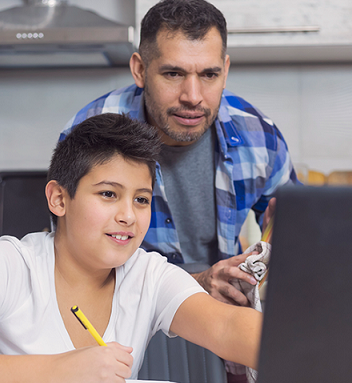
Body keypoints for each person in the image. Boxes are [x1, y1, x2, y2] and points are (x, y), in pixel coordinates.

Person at [0, 113, 261, 383]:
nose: (128, 215)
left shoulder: (149, 274)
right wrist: (54, 371)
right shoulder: (7, 264)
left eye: (141, 199)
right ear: (59, 198)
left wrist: (313, 350)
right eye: (108, 194)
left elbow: (228, 328)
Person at [60, 0, 298, 307]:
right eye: (173, 74)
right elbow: (74, 266)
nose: (193, 97)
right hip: (121, 315)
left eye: (209, 75)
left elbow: (294, 229)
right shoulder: (91, 137)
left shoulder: (260, 138)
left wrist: (284, 232)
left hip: (220, 317)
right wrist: (196, 283)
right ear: (140, 70)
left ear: (225, 71)